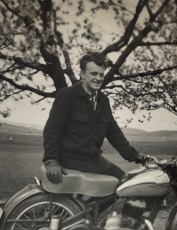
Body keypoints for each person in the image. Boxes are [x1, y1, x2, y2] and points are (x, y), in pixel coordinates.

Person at [43, 52, 145, 184]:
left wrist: (135, 156)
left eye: (101, 74)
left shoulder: (103, 100)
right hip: (70, 161)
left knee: (125, 183)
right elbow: (52, 131)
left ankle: (94, 206)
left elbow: (114, 133)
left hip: (95, 160)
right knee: (80, 200)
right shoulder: (67, 95)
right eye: (94, 74)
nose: (98, 78)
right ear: (82, 74)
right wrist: (51, 161)